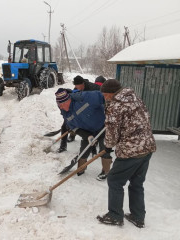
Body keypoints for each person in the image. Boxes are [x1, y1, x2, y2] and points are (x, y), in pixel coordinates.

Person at [97, 79, 156, 227]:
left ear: (112, 93)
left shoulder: (116, 106)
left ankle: (115, 215)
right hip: (147, 147)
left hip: (131, 151)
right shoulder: (135, 98)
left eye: (105, 95)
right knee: (137, 183)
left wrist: (108, 146)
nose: (105, 98)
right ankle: (138, 216)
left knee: (114, 181)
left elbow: (111, 132)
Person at [55, 88, 112, 178]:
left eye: (61, 105)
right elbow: (74, 128)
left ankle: (106, 171)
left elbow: (105, 97)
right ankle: (81, 169)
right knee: (83, 151)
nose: (60, 108)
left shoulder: (85, 98)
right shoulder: (66, 113)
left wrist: (111, 109)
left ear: (68, 100)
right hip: (88, 131)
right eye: (59, 106)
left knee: (104, 149)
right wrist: (88, 136)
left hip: (103, 126)